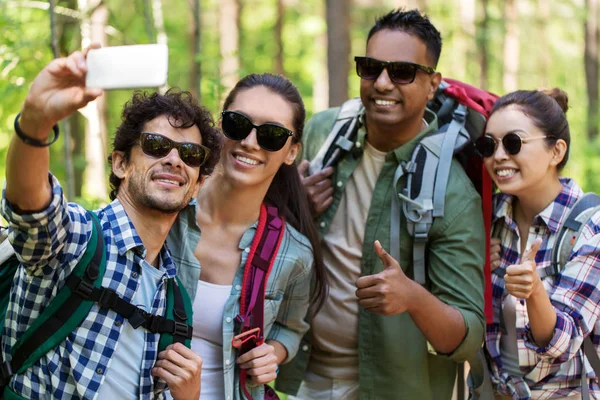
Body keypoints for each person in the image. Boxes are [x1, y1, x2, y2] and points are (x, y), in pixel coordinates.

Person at [276, 7, 486, 400]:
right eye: (371, 68)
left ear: (432, 84)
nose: (383, 83)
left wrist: (413, 298)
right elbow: (247, 222)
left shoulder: (451, 192)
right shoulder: (322, 136)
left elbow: (467, 337)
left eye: (403, 72)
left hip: (390, 390)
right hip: (303, 378)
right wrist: (294, 206)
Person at [0, 47, 222, 399]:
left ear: (197, 183)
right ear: (120, 164)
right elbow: (30, 207)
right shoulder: (76, 238)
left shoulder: (175, 300)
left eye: (190, 155)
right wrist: (36, 122)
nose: (174, 159)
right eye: (155, 145)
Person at [166, 73, 327, 400]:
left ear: (292, 151)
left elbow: (290, 329)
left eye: (272, 135)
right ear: (220, 128)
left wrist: (274, 354)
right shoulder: (167, 206)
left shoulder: (293, 254)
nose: (251, 142)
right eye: (238, 124)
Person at [478, 88, 600, 399]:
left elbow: (563, 344)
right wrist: (474, 272)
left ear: (556, 152)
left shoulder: (590, 227)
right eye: (489, 145)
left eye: (514, 142)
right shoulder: (488, 219)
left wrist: (534, 292)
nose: (499, 156)